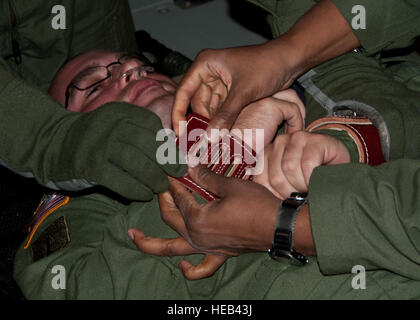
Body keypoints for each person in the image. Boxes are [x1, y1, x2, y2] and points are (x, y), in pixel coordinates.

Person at [13, 50, 420, 299]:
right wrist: (221, 163)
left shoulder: (267, 87)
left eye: (137, 63)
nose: (131, 70)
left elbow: (399, 88)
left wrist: (349, 135)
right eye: (92, 84)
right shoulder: (85, 207)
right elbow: (78, 287)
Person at [128, 0, 420, 281]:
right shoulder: (125, 222)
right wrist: (285, 55)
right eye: (93, 85)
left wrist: (287, 226)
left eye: (146, 67)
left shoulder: (282, 104)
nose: (130, 69)